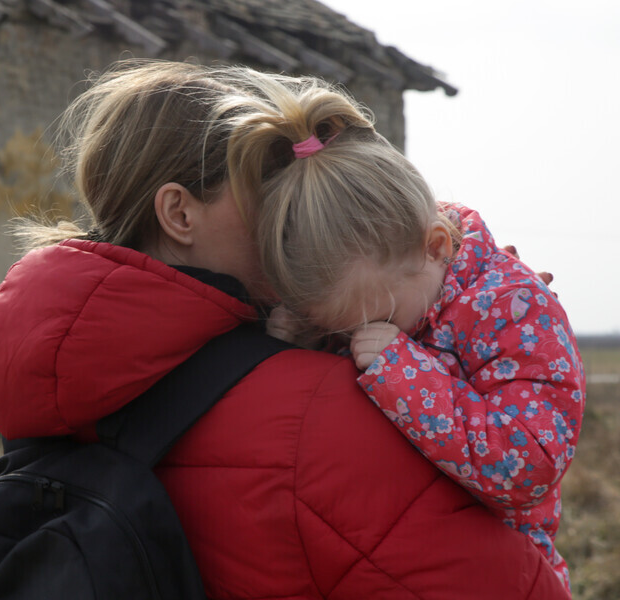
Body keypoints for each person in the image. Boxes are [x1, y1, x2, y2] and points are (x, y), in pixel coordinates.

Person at [0, 60, 569, 598]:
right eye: (265, 189)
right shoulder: (313, 412)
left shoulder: (58, 385)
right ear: (179, 213)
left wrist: (475, 308)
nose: (294, 217)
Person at [223, 70, 585, 592]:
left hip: (504, 564)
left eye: (379, 321)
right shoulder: (391, 288)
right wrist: (303, 339)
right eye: (341, 329)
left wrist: (405, 372)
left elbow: (527, 466)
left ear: (437, 245)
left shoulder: (517, 310)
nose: (364, 339)